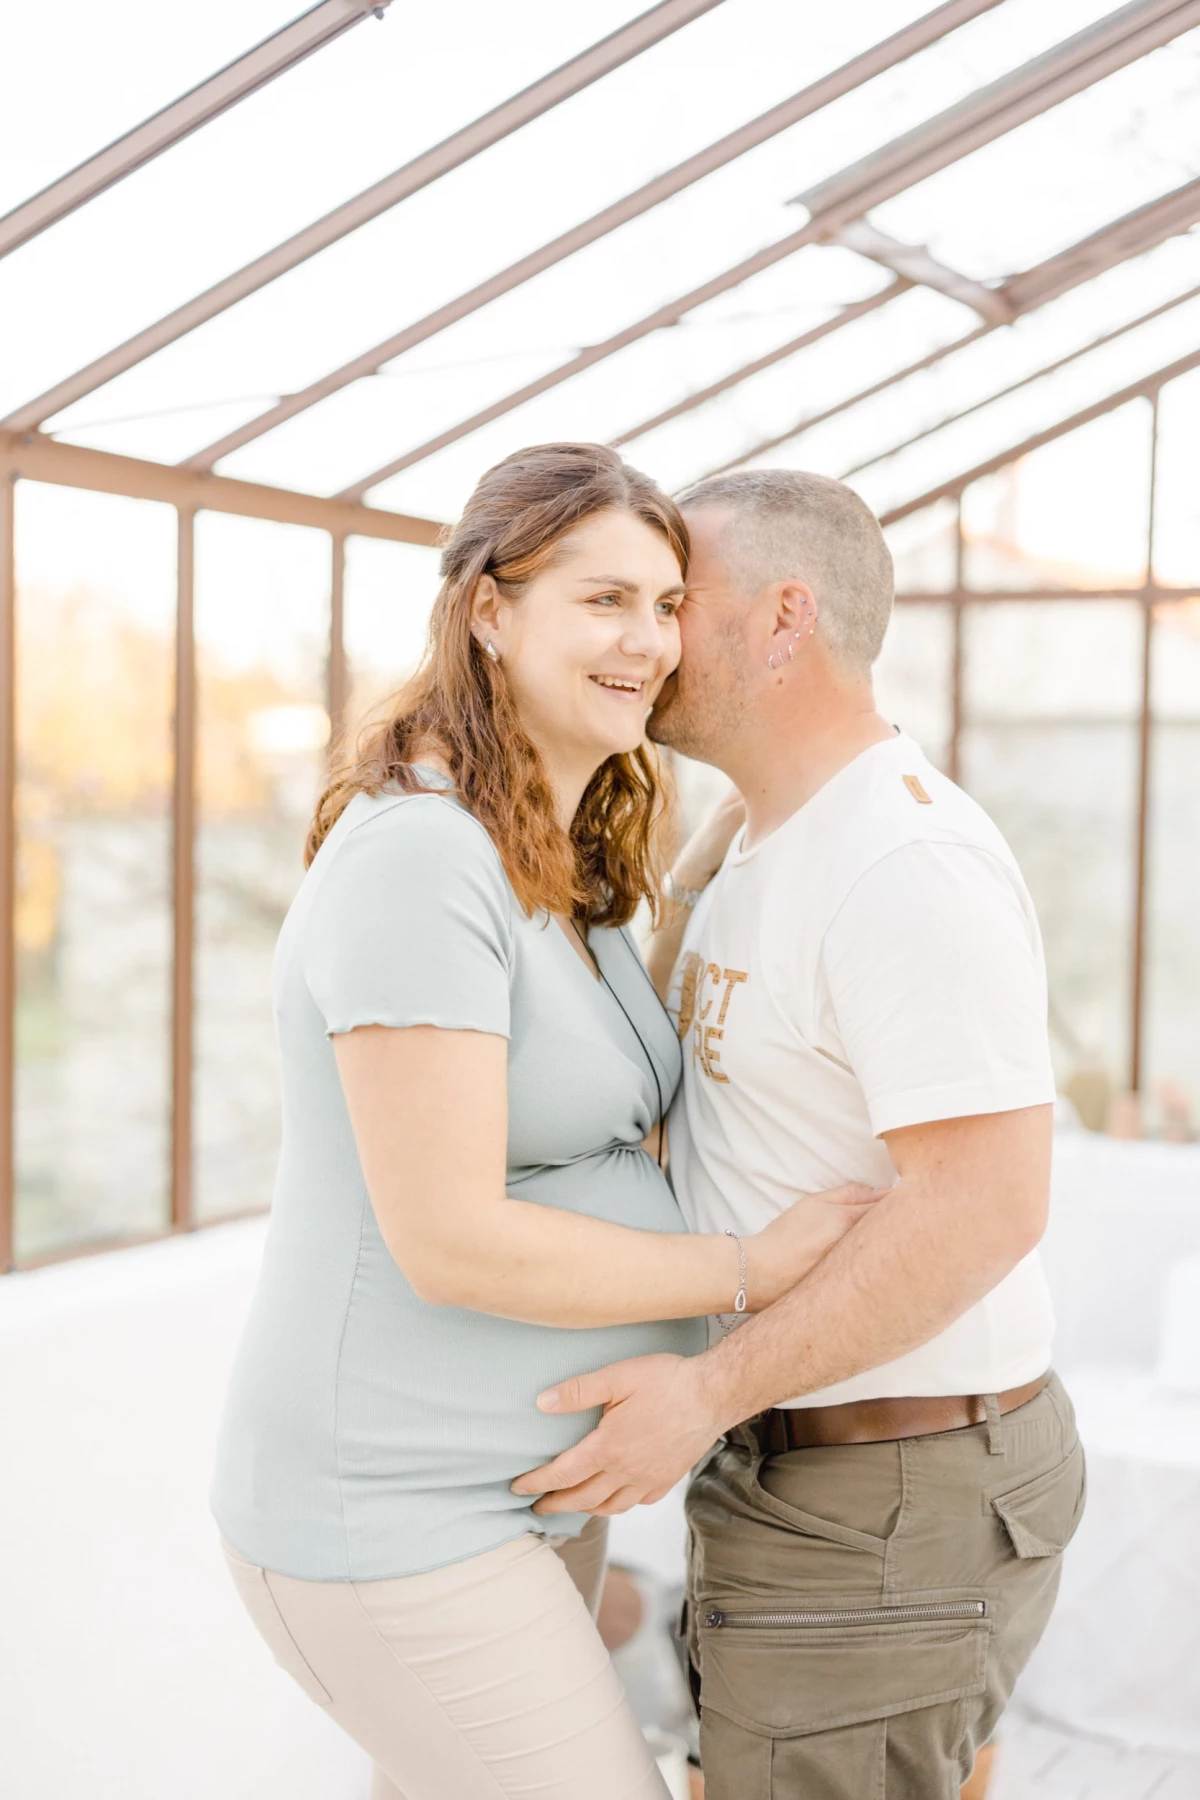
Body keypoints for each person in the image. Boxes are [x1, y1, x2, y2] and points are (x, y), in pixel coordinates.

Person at [210, 444, 879, 1800]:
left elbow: (597, 1098)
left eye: (666, 604)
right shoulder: (423, 855)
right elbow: (451, 1239)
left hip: (526, 1493)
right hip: (393, 1514)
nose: (647, 640)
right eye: (603, 600)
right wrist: (752, 1269)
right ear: (489, 611)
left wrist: (737, 849)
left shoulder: (552, 856)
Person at [514, 468, 1087, 1799]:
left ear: (784, 619)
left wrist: (705, 1393)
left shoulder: (899, 862)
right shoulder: (762, 841)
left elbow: (988, 1205)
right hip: (816, 1475)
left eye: (678, 601)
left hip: (884, 1491)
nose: (649, 637)